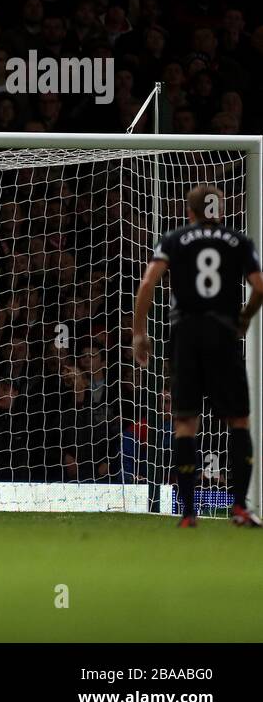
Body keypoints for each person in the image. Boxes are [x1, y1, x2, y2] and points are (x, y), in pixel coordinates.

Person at [133, 183, 263, 527]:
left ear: (188, 211)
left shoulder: (174, 238)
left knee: (186, 422)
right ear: (219, 210)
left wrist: (138, 333)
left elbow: (148, 283)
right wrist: (245, 317)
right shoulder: (238, 241)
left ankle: (189, 512)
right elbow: (260, 286)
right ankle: (239, 508)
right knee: (238, 420)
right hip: (223, 332)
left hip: (185, 334)